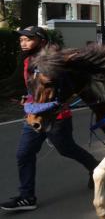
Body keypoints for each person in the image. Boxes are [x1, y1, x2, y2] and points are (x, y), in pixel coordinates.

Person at [0, 26, 99, 212]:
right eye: (21, 40)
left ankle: (95, 166)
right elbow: (35, 89)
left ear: (42, 41)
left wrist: (58, 102)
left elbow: (69, 85)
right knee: (24, 153)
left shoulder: (57, 61)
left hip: (56, 116)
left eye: (28, 39)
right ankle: (27, 196)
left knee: (66, 149)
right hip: (34, 115)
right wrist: (27, 99)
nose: (23, 43)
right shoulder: (28, 60)